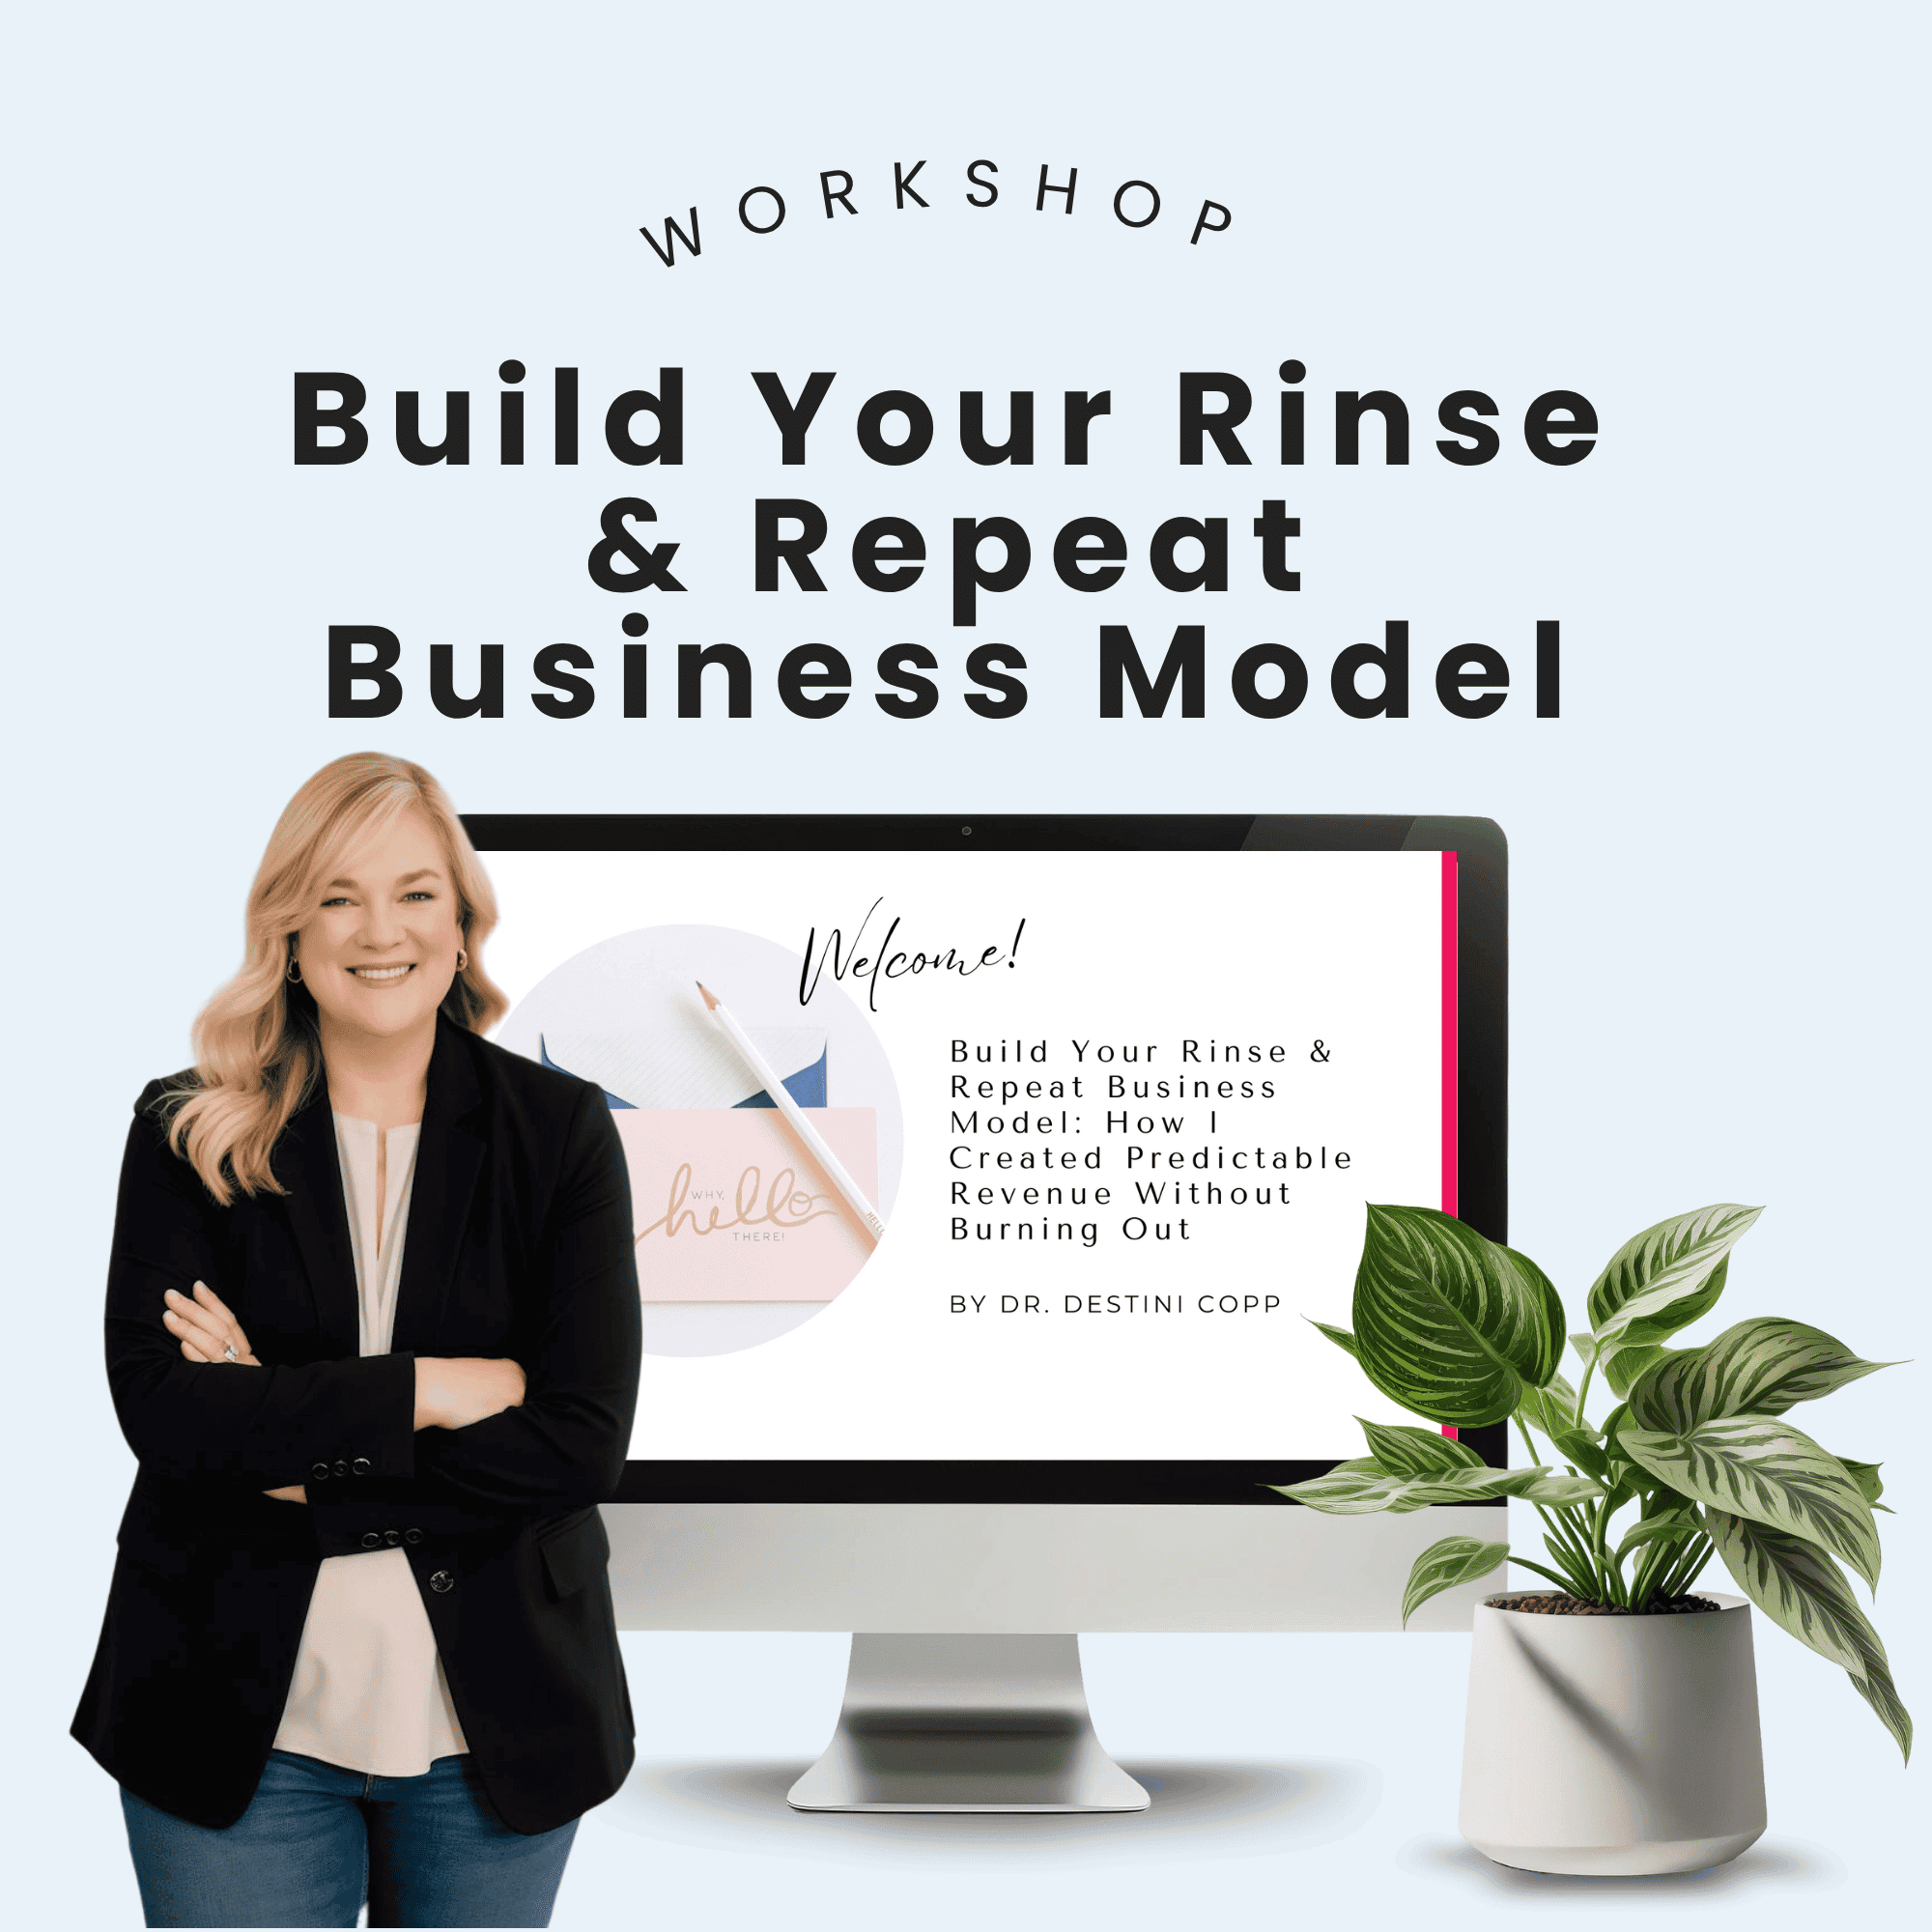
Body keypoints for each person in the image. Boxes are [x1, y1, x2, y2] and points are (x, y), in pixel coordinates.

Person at [71, 753, 642, 1928]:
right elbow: (171, 1417)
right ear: (288, 925)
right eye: (338, 894)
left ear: (462, 918)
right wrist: (439, 1385)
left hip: (497, 1718)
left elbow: (579, 1443)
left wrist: (292, 1443)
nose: (380, 930)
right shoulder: (190, 1128)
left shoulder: (559, 1132)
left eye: (416, 892)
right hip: (228, 1711)